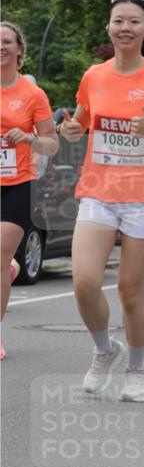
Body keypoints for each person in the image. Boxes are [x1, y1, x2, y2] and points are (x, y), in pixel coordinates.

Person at [59, 0, 144, 402]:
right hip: (99, 192)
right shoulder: (93, 76)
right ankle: (104, 350)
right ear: (108, 27)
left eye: (134, 21)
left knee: (130, 292)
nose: (126, 28)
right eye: (119, 21)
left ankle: (138, 369)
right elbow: (80, 122)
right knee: (84, 282)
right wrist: (70, 130)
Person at [1, 22, 58, 360]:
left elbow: (51, 142)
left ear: (19, 50)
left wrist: (29, 139)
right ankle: (8, 267)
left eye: (7, 41)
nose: (1, 46)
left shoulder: (32, 94)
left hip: (17, 185)